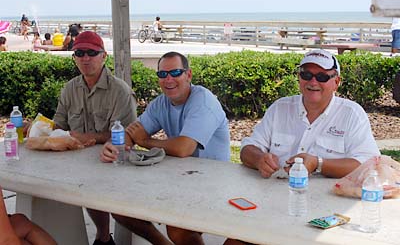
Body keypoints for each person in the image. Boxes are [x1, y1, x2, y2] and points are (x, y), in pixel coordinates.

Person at [224, 49, 381, 245]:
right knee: (234, 242)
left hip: (328, 211)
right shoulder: (280, 108)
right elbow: (248, 147)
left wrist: (318, 164)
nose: (313, 82)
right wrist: (259, 160)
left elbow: (368, 164)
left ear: (336, 82)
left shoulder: (352, 114)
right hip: (272, 205)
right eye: (306, 74)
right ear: (299, 78)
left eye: (322, 76)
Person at [100, 51, 230, 245]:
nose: (168, 79)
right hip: (177, 177)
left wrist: (145, 142)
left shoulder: (203, 101)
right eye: (162, 74)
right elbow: (133, 132)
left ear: (189, 75)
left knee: (178, 228)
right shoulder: (161, 103)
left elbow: (184, 148)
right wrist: (115, 145)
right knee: (121, 209)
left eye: (175, 72)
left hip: (212, 183)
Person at [53, 31, 137, 245]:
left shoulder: (120, 91)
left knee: (98, 189)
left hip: (115, 160)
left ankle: (103, 237)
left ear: (104, 56)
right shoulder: (69, 89)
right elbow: (59, 126)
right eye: (79, 53)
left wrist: (89, 137)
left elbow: (127, 135)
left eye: (92, 52)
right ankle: (103, 237)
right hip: (79, 163)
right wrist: (37, 128)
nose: (85, 58)